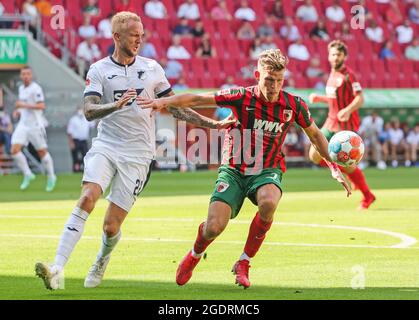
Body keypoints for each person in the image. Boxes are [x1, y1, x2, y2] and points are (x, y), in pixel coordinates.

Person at [34, 11, 235, 291]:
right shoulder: (99, 70)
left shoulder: (152, 69)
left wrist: (211, 124)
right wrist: (113, 106)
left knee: (110, 227)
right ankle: (57, 268)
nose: (139, 40)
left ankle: (101, 259)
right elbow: (90, 111)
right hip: (107, 146)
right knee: (87, 198)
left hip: (139, 155)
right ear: (117, 37)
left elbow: (174, 106)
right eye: (133, 35)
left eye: (141, 35)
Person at [138, 48, 350, 288]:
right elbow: (197, 99)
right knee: (214, 227)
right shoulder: (241, 96)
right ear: (258, 74)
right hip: (234, 170)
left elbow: (315, 134)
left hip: (267, 168)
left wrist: (332, 165)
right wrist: (162, 101)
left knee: (269, 202)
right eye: (269, 80)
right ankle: (195, 254)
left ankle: (244, 262)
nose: (274, 86)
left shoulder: (293, 105)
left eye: (279, 81)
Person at [308, 40, 376, 210]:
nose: (335, 57)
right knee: (314, 156)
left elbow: (360, 98)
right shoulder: (331, 75)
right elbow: (335, 100)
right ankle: (352, 175)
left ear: (344, 56)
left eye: (339, 54)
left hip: (345, 125)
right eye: (333, 54)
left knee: (347, 162)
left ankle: (368, 196)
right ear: (328, 56)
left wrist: (348, 109)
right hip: (330, 122)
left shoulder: (349, 75)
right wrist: (320, 98)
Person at [10, 66, 57, 191]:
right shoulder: (21, 88)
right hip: (23, 125)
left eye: (28, 74)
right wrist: (18, 111)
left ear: (31, 75)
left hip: (35, 125)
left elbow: (41, 105)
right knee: (14, 150)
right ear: (21, 76)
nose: (25, 76)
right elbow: (22, 106)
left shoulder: (36, 89)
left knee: (42, 152)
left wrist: (23, 105)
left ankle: (51, 176)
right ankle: (28, 174)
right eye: (23, 74)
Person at [67, 106, 94, 172]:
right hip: (75, 141)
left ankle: (84, 170)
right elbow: (69, 132)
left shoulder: (87, 119)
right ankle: (76, 170)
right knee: (75, 157)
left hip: (84, 141)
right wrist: (71, 143)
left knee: (85, 156)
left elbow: (93, 124)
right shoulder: (73, 119)